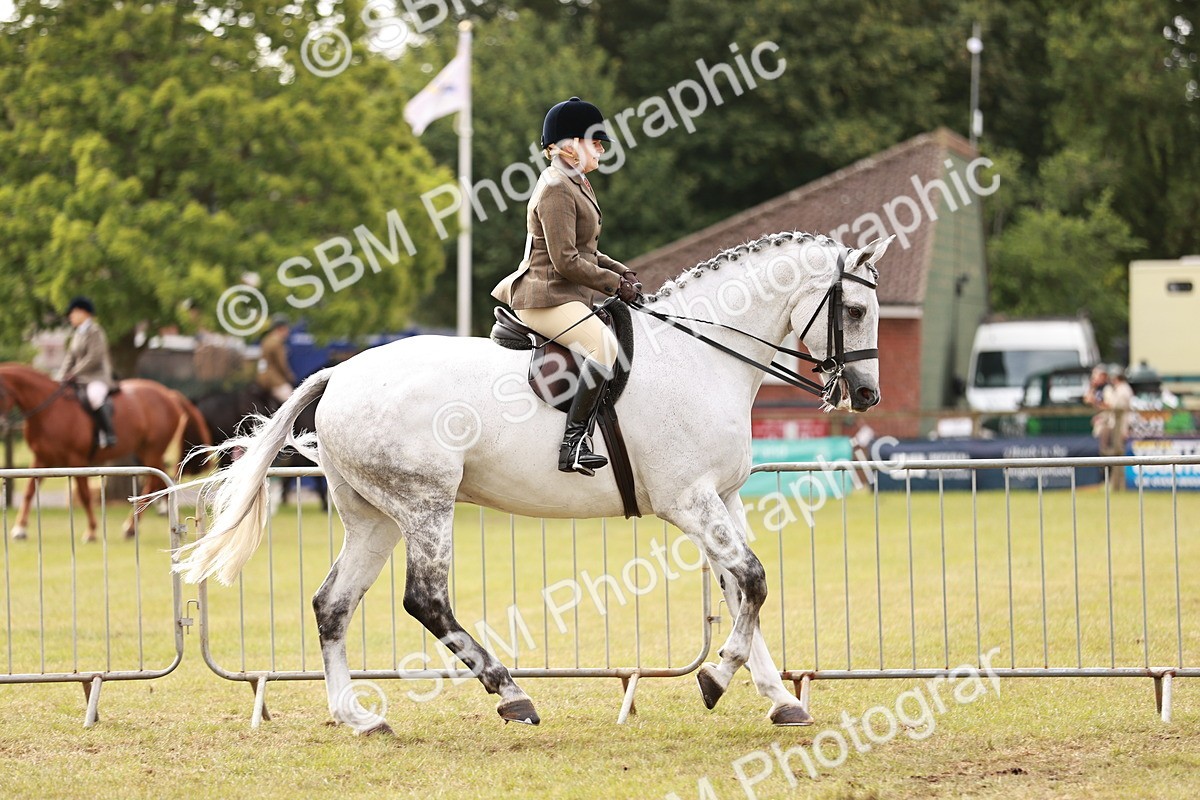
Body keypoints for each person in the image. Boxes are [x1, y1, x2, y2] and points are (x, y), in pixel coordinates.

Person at [492, 97, 641, 476]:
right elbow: (566, 261)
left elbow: (586, 250)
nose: (602, 148)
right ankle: (573, 444)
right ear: (572, 145)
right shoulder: (557, 187)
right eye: (596, 141)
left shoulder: (575, 183)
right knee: (603, 348)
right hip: (545, 296)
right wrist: (612, 284)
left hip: (562, 293)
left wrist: (620, 271)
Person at [57, 296, 119, 449]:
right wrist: (60, 377)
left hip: (96, 377)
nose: (70, 317)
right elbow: (70, 358)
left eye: (72, 313)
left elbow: (94, 357)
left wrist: (74, 372)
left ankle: (108, 434)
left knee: (94, 397)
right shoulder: (77, 334)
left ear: (83, 312)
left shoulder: (95, 331)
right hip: (80, 378)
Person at [256, 315, 296, 405]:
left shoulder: (266, 340)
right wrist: (290, 376)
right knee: (292, 401)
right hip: (274, 380)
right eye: (286, 329)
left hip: (262, 377)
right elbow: (282, 364)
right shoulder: (277, 343)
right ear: (280, 328)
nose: (288, 332)